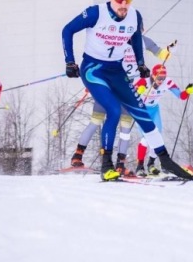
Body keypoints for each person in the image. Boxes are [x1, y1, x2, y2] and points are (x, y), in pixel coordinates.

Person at [61, 0, 193, 181]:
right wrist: (70, 61)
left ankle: (165, 159)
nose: (123, 5)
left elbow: (136, 39)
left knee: (142, 112)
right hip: (94, 69)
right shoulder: (96, 12)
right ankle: (107, 166)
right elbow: (67, 30)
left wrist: (141, 64)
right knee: (113, 110)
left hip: (116, 70)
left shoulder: (134, 16)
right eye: (119, 0)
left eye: (128, 1)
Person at [69, 35, 176, 175]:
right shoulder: (116, 39)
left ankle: (120, 164)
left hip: (128, 89)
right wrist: (93, 80)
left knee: (125, 129)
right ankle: (78, 155)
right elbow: (100, 58)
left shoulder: (143, 41)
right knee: (96, 120)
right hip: (110, 85)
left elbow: (160, 52)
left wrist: (168, 51)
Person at [133, 64, 193, 176]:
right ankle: (139, 166)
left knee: (157, 137)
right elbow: (129, 94)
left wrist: (188, 91)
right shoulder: (144, 81)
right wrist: (138, 91)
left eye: (163, 78)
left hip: (154, 110)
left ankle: (151, 164)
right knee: (146, 138)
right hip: (142, 111)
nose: (161, 81)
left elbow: (181, 96)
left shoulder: (168, 82)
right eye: (159, 78)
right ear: (152, 75)